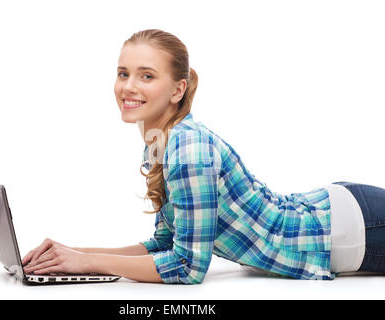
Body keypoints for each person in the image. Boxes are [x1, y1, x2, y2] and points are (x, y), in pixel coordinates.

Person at [22, 29, 385, 284]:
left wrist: (88, 262)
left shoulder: (188, 149)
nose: (128, 86)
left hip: (351, 230)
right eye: (123, 73)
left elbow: (187, 267)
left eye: (146, 76)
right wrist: (75, 256)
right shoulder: (159, 142)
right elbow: (167, 244)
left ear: (178, 89)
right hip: (340, 212)